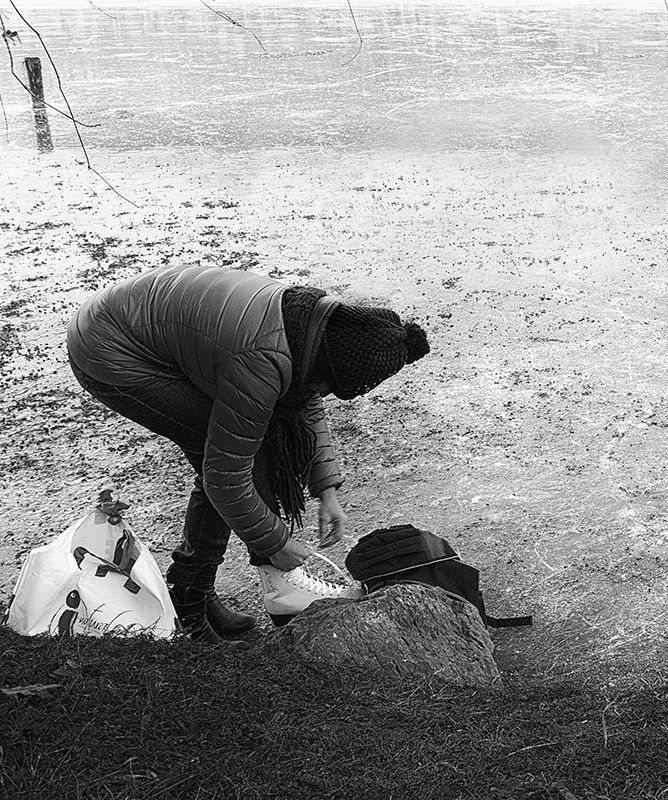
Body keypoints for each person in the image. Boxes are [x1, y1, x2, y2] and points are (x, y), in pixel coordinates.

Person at [65, 265, 429, 644]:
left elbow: (306, 399)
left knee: (231, 445)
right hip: (111, 348)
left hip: (145, 322)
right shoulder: (260, 360)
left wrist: (327, 490)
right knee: (232, 455)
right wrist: (276, 545)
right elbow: (226, 476)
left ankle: (193, 591)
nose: (322, 393)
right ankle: (197, 603)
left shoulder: (314, 323)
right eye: (327, 385)